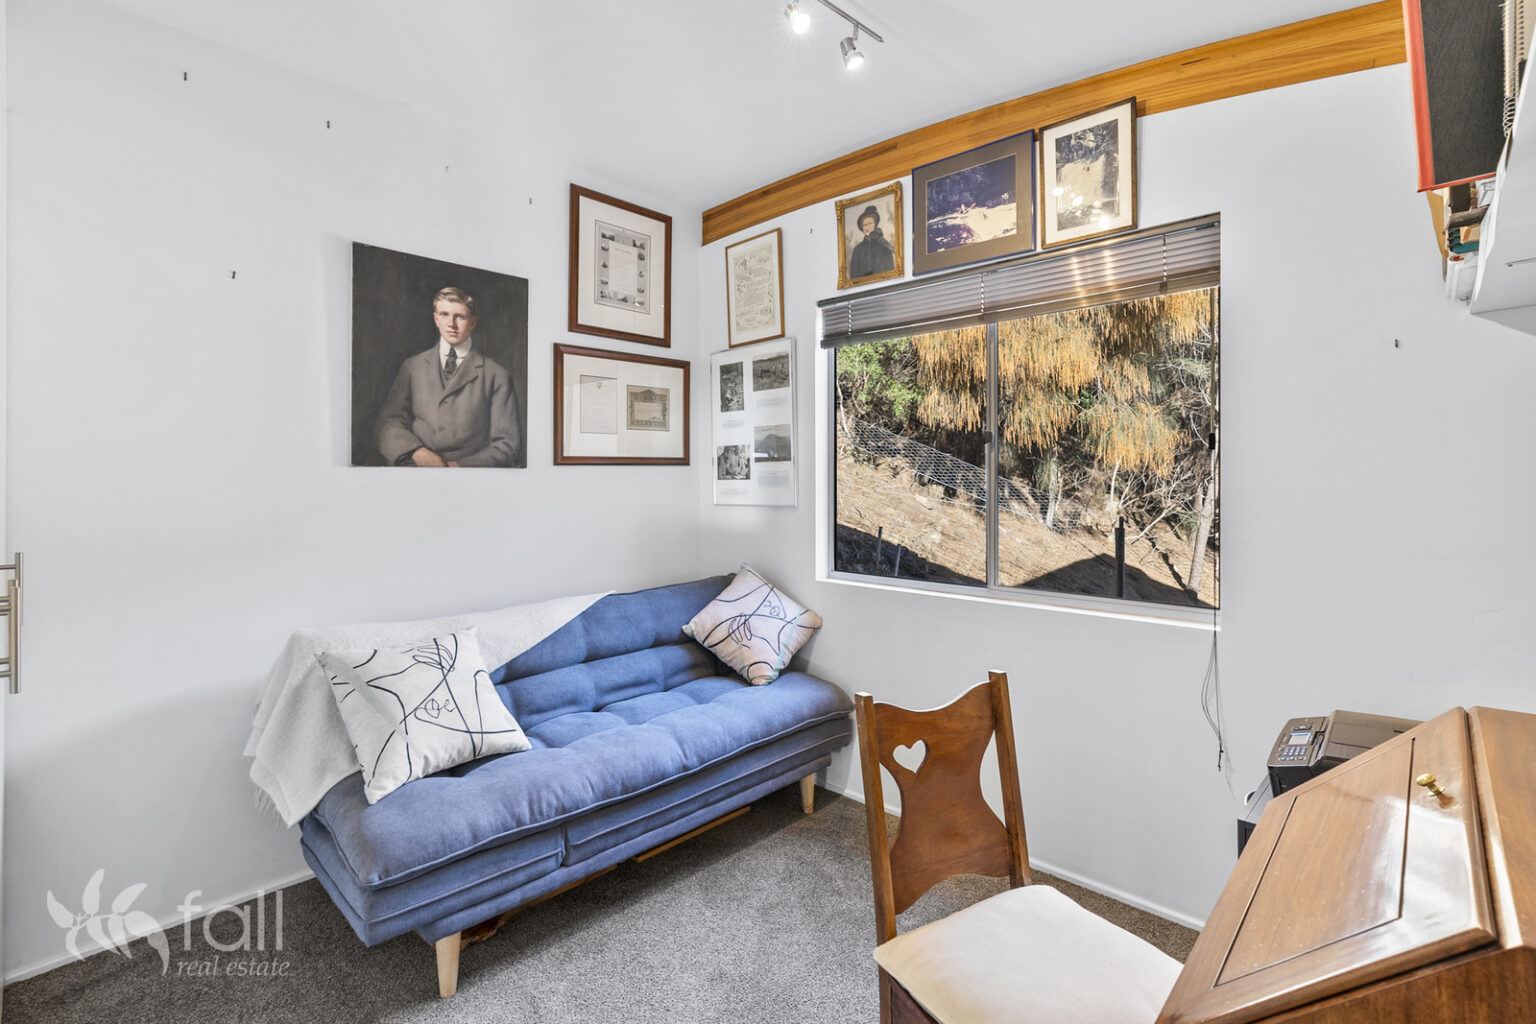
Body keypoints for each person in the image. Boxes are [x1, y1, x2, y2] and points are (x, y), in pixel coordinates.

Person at [375, 286, 521, 467]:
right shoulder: (412, 367)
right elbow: (388, 423)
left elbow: (507, 445)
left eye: (460, 317)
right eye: (444, 315)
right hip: (414, 466)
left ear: (473, 322)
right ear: (436, 319)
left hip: (469, 473)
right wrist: (417, 452)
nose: (451, 324)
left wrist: (459, 467)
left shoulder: (496, 376)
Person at [848, 204, 895, 279]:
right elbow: (853, 278)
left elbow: (891, 272)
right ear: (862, 227)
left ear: (875, 225)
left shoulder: (884, 246)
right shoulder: (857, 250)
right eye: (865, 225)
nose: (868, 227)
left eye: (870, 223)